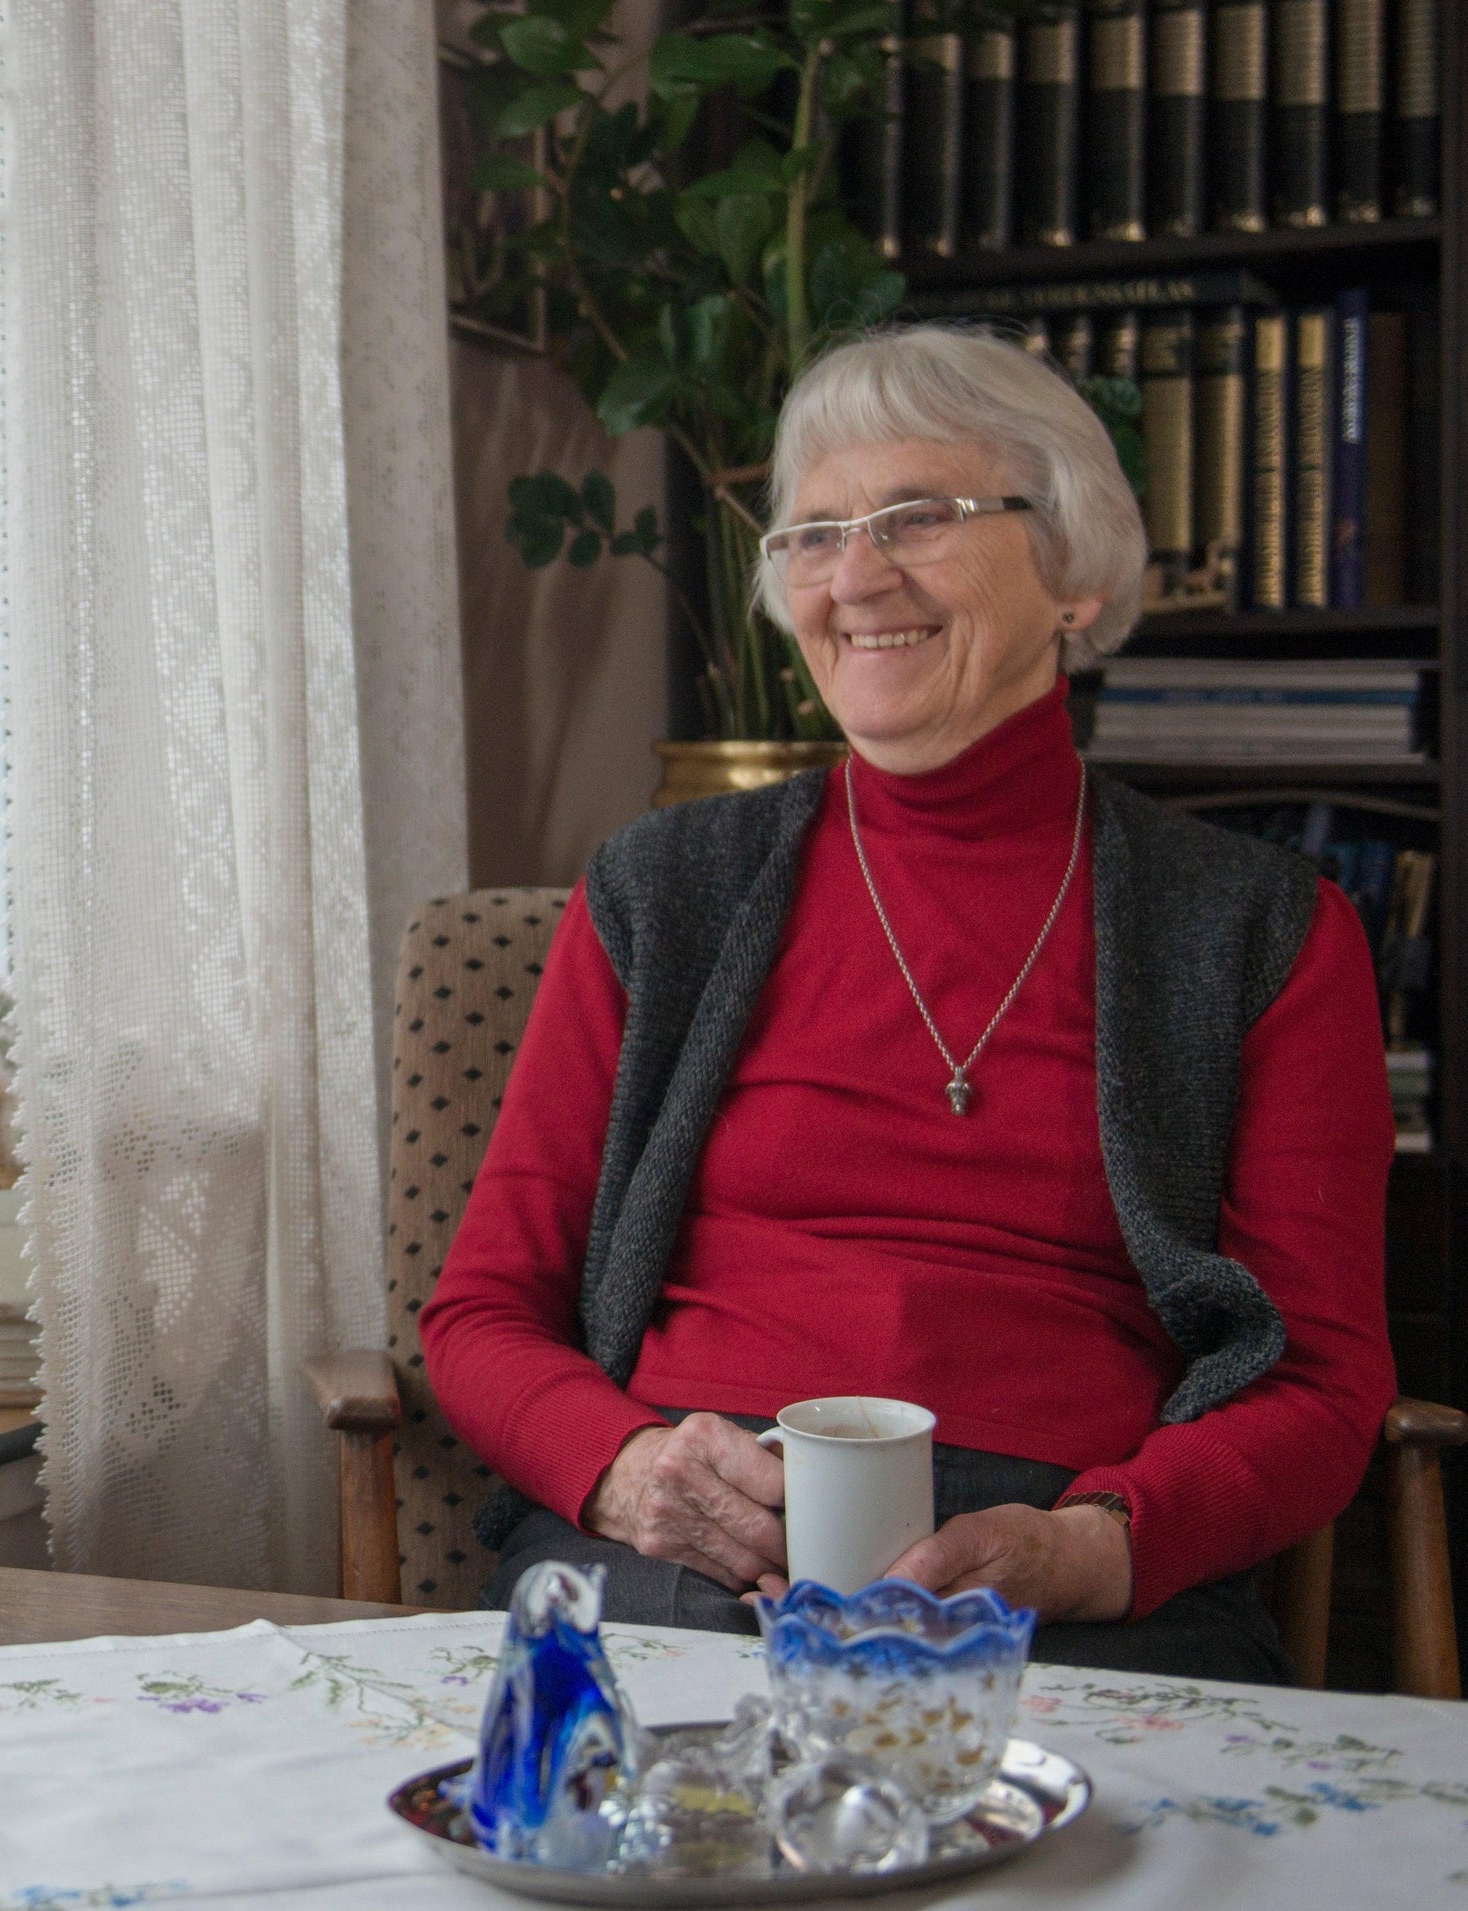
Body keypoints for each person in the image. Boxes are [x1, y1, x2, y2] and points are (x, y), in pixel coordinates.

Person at [419, 325, 1395, 1680]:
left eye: (915, 518)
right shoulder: (663, 891)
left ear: (1072, 570)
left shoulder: (1263, 930)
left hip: (1079, 1590)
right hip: (688, 1556)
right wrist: (629, 1466)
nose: (856, 574)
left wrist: (1098, 1544)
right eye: (813, 535)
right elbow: (478, 1314)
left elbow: (1322, 1381)